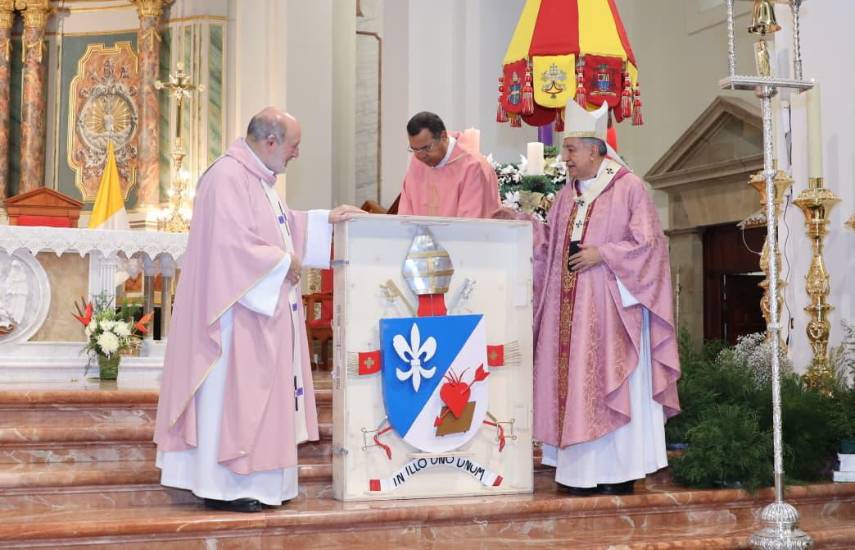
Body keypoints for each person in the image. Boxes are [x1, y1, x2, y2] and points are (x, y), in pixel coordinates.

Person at [153, 107, 361, 512]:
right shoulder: (227, 177)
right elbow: (229, 245)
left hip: (257, 314)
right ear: (270, 142)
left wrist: (326, 221)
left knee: (257, 403)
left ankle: (254, 484)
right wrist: (284, 263)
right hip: (232, 320)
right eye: (293, 146)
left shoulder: (258, 179)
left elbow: (282, 226)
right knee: (232, 403)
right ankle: (225, 486)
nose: (296, 154)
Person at [494, 101, 681, 496]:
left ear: (595, 150)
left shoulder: (628, 188)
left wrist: (605, 254)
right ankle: (578, 473)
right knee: (573, 382)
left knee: (607, 383)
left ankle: (617, 473)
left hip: (611, 315)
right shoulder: (566, 196)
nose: (564, 159)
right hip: (570, 314)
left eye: (571, 150)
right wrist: (521, 224)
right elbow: (550, 249)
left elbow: (650, 247)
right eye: (565, 151)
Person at [397, 111, 500, 218]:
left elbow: (470, 223)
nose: (421, 155)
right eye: (414, 149)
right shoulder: (418, 160)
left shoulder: (472, 167)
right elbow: (405, 213)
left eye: (427, 148)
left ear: (443, 136)